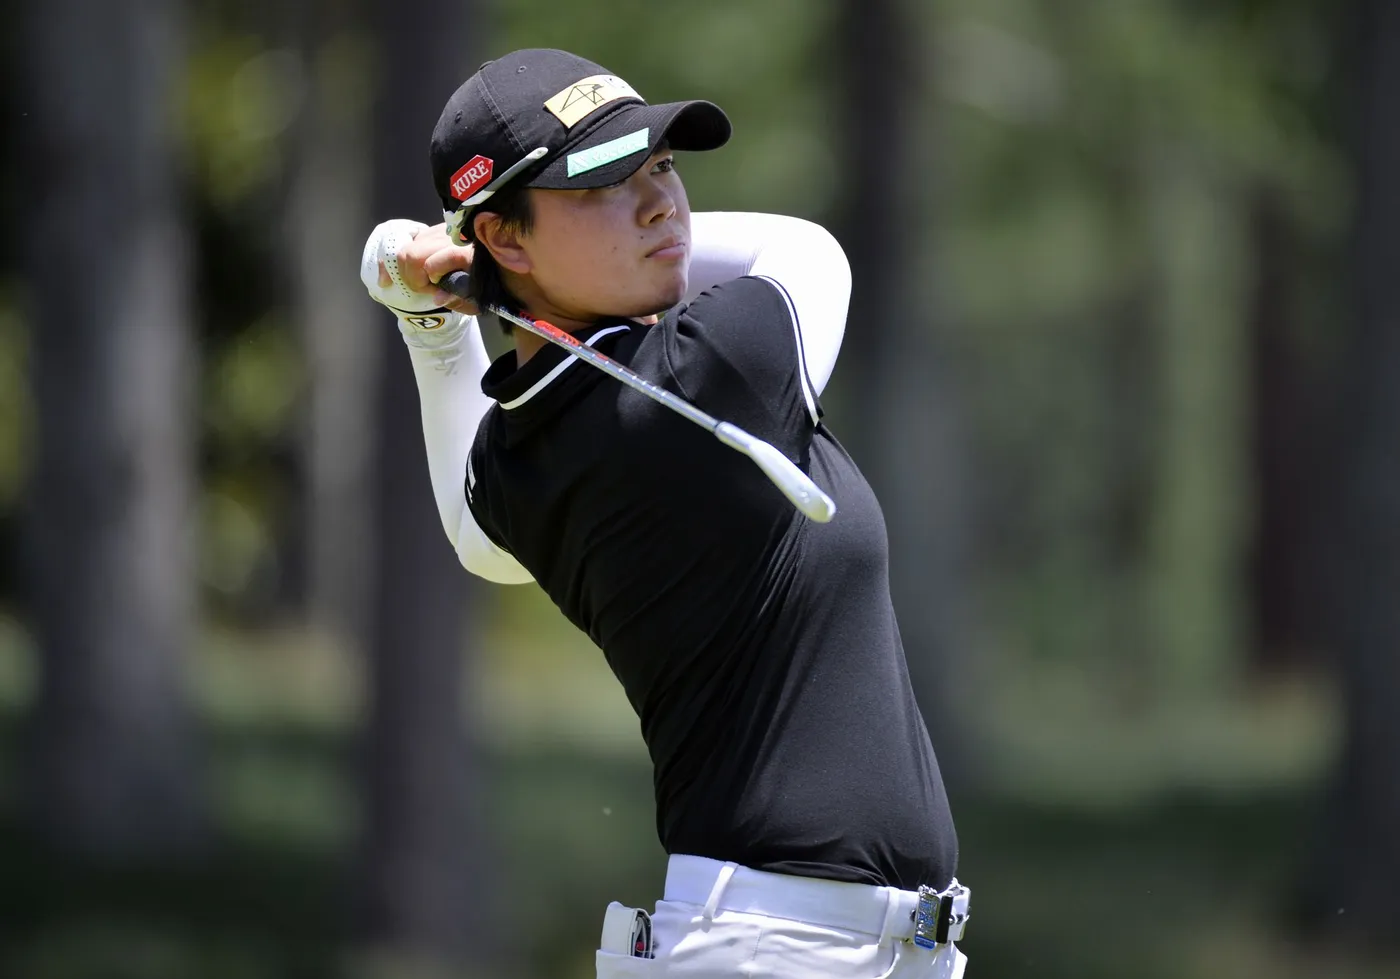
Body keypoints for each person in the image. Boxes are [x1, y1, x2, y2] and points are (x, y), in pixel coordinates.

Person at [360, 48, 970, 979]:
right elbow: (808, 249)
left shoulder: (521, 453)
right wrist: (462, 284)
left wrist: (435, 318)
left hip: (789, 947)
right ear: (506, 237)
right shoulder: (711, 372)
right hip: (780, 952)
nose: (662, 205)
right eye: (605, 181)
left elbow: (475, 536)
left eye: (663, 166)